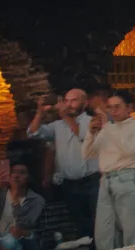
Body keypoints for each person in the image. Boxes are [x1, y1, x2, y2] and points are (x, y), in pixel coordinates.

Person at [82, 91, 135, 250]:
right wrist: (91, 133)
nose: (113, 111)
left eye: (117, 106)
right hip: (106, 182)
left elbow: (130, 151)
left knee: (132, 238)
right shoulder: (107, 129)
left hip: (128, 179)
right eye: (110, 107)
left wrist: (108, 128)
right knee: (103, 238)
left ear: (128, 108)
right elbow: (87, 153)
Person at [28, 88, 99, 238]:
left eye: (73, 100)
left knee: (97, 223)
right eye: (66, 100)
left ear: (85, 103)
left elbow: (81, 134)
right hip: (69, 184)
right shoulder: (58, 125)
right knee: (80, 225)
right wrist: (40, 114)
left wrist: (65, 115)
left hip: (91, 183)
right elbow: (32, 133)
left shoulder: (92, 121)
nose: (69, 104)